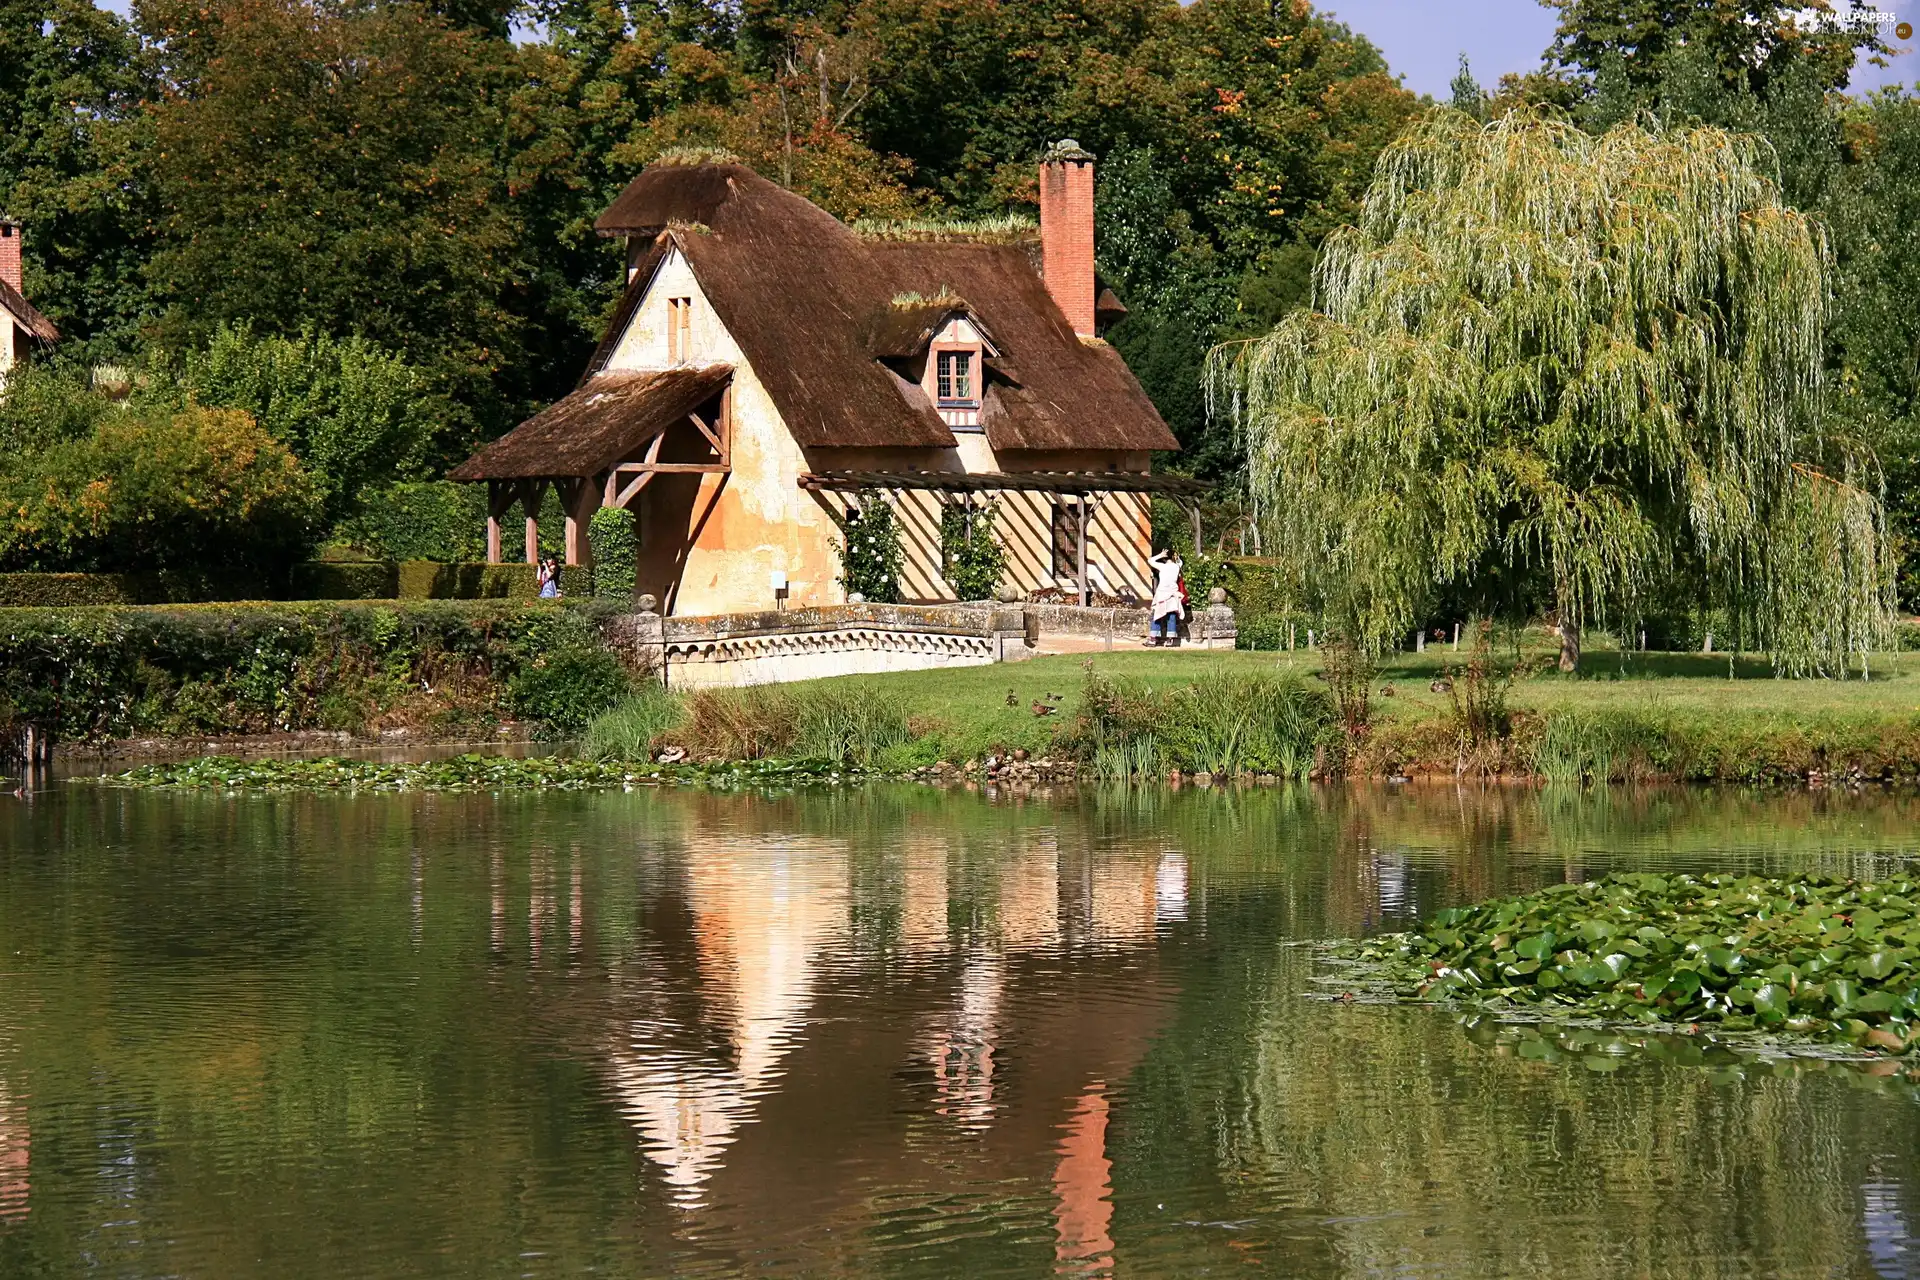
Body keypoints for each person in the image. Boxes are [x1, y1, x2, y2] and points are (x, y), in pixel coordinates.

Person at [1147, 548, 1184, 647]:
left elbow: (1150, 560)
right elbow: (1181, 562)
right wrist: (1177, 557)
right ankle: (1170, 640)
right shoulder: (1176, 566)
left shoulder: (1162, 567)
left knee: (1157, 616)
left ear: (1164, 558)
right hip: (1172, 594)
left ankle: (1153, 639)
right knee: (1171, 617)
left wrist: (1160, 554)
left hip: (1162, 594)